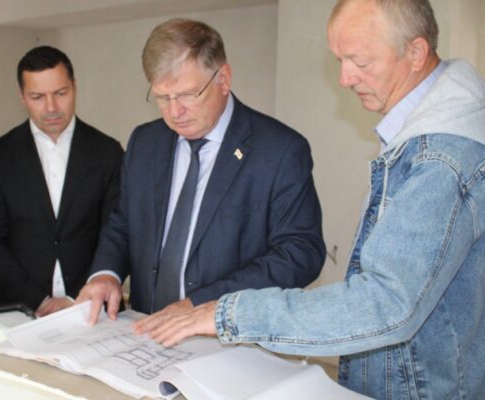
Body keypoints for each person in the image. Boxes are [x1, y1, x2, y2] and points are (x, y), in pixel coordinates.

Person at [144, 1, 485, 398]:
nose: (344, 78)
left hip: (430, 384)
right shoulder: (438, 129)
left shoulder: (441, 158)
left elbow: (383, 303)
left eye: (359, 61)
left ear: (415, 53)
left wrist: (227, 313)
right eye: (340, 60)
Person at [77, 18, 326, 329]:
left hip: (229, 340)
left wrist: (202, 304)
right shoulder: (145, 142)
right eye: (163, 98)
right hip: (146, 331)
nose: (174, 112)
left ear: (223, 79)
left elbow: (300, 253)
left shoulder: (279, 150)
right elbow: (124, 223)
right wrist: (106, 273)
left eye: (187, 95)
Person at [0, 46, 124, 317]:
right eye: (37, 97)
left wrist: (75, 298)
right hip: (20, 309)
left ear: (74, 87)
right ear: (22, 97)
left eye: (60, 93)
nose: (51, 107)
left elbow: (116, 232)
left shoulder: (108, 152)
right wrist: (39, 301)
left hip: (94, 308)